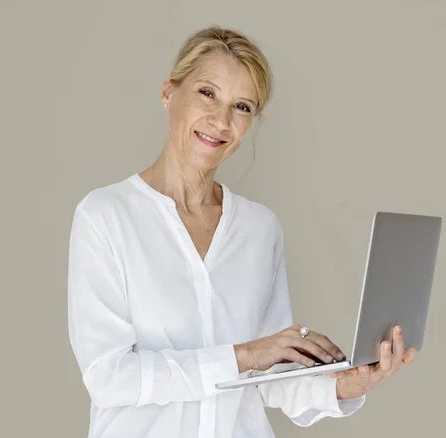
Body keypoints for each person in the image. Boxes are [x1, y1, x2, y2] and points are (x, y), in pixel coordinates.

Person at [67, 26, 418, 438]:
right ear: (168, 93)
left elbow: (270, 378)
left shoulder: (259, 228)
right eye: (206, 93)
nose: (220, 120)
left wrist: (348, 384)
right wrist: (245, 355)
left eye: (242, 107)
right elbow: (110, 378)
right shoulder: (106, 216)